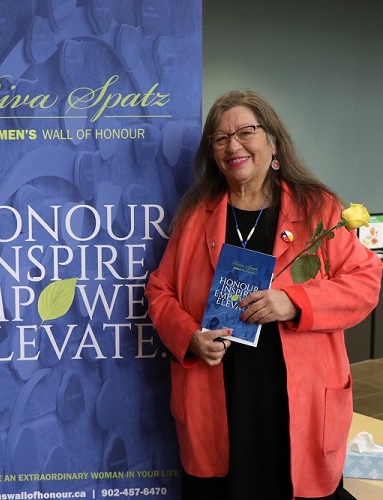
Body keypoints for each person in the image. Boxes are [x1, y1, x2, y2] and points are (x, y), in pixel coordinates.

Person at [145, 90, 382, 499]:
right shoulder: (194, 214)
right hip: (218, 391)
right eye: (220, 139)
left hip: (295, 398)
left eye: (245, 132)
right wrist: (188, 336)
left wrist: (294, 302)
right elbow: (159, 289)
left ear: (272, 141)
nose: (233, 145)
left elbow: (366, 278)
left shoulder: (316, 207)